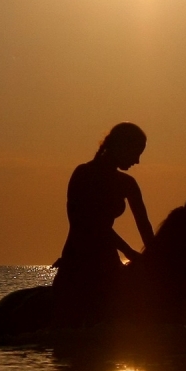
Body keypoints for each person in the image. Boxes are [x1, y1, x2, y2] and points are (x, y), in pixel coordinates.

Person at [53, 122, 154, 327]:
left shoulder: (129, 183)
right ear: (120, 147)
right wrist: (129, 252)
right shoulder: (83, 174)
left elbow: (145, 229)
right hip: (78, 260)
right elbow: (89, 224)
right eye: (135, 153)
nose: (137, 160)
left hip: (110, 262)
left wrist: (159, 257)